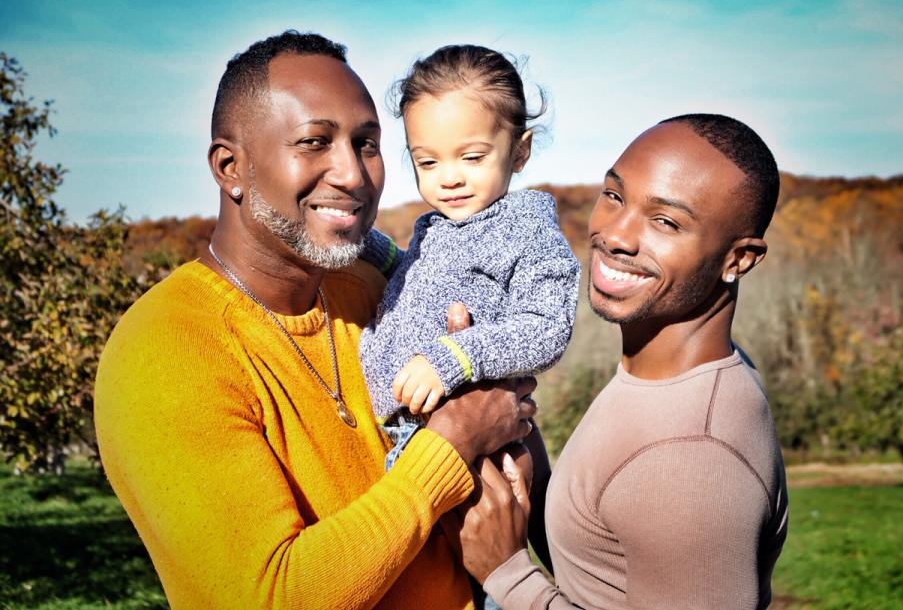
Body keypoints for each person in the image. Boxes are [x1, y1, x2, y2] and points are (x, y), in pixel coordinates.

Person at [94, 31, 538, 610]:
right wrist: (448, 446)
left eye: (368, 144)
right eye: (314, 142)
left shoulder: (372, 285)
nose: (352, 174)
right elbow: (270, 597)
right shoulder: (165, 349)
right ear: (231, 167)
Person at [459, 114, 790, 610]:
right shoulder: (669, 374)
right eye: (614, 196)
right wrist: (515, 424)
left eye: (666, 222)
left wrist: (508, 576)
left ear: (737, 260)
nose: (615, 235)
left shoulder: (692, 456)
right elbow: (604, 553)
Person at [358, 44, 579, 470]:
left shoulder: (526, 227)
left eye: (472, 157)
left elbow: (545, 328)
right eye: (428, 161)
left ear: (519, 151)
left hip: (466, 439)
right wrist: (366, 245)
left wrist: (454, 358)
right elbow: (423, 277)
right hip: (403, 431)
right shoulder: (437, 225)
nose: (450, 177)